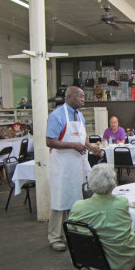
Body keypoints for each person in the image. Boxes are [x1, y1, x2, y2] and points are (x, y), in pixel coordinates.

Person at [46, 86, 102, 251]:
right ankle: (55, 236)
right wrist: (73, 145)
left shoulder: (80, 116)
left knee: (76, 199)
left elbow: (82, 138)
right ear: (69, 96)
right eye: (80, 96)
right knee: (60, 200)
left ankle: (73, 232)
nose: (83, 99)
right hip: (62, 165)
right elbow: (49, 141)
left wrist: (92, 148)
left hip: (76, 164)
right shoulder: (57, 115)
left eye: (84, 96)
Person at [69, 164, 135, 270]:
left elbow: (73, 233)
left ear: (90, 182)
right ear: (113, 183)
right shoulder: (122, 202)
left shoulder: (78, 207)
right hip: (124, 258)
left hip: (93, 259)